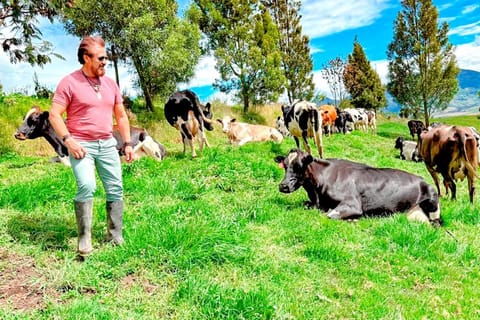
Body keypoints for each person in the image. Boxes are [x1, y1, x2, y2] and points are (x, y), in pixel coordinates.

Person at [49, 36, 134, 256]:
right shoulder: (69, 82)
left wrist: (127, 143)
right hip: (81, 144)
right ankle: (84, 237)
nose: (105, 62)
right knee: (87, 185)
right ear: (86, 58)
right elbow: (54, 115)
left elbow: (121, 116)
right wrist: (68, 140)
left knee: (115, 187)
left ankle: (115, 236)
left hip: (107, 143)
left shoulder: (110, 84)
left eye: (106, 58)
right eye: (100, 58)